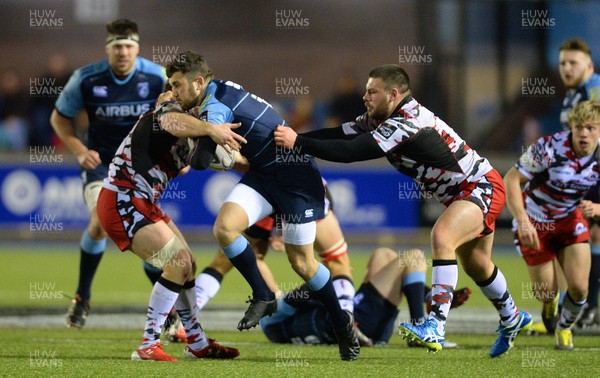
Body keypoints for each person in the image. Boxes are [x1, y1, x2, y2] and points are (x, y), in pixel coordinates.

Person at [274, 64, 530, 358]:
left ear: (393, 94)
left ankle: (435, 325)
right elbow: (342, 135)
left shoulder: (408, 121)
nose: (365, 97)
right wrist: (296, 138)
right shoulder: (379, 117)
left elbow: (352, 152)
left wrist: (299, 143)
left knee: (442, 236)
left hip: (480, 186)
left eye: (373, 91)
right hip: (463, 192)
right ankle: (512, 317)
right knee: (477, 264)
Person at [163, 51, 360, 361]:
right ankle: (264, 294)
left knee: (303, 264)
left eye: (177, 85)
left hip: (296, 179)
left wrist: (190, 137)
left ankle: (342, 325)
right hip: (266, 174)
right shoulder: (220, 89)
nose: (174, 92)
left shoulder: (215, 105)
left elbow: (200, 161)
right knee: (225, 228)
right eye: (171, 86)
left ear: (198, 82)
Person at [96, 90, 244, 361]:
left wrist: (268, 166)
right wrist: (212, 129)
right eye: (171, 88)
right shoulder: (161, 117)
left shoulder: (188, 133)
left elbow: (231, 161)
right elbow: (170, 120)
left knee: (188, 265)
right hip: (122, 198)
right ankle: (148, 344)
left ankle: (197, 342)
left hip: (142, 202)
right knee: (178, 263)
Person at [50, 19, 166, 328]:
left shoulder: (157, 77)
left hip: (142, 167)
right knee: (100, 223)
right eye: (117, 46)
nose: (123, 52)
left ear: (137, 48)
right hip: (101, 164)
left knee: (150, 233)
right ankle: (82, 296)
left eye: (128, 45)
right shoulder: (86, 79)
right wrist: (77, 149)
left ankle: (165, 308)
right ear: (108, 49)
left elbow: (176, 116)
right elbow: (59, 118)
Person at [504, 100, 600, 350]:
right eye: (578, 127)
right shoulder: (549, 148)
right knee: (546, 292)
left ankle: (564, 329)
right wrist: (522, 220)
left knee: (580, 289)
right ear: (571, 128)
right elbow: (511, 179)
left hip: (569, 220)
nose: (583, 133)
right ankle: (549, 303)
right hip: (535, 221)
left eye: (591, 128)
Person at [261, 247, 471, 348]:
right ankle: (420, 327)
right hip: (362, 322)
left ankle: (426, 296)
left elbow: (307, 292)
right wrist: (338, 275)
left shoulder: (275, 321)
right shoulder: (272, 319)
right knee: (413, 257)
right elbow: (311, 288)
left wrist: (335, 278)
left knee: (383, 254)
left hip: (356, 316)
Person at [558, 38, 600, 329]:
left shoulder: (594, 91)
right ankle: (584, 306)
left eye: (573, 62)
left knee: (591, 233)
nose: (567, 68)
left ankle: (587, 307)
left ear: (589, 66)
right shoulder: (572, 95)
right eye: (563, 63)